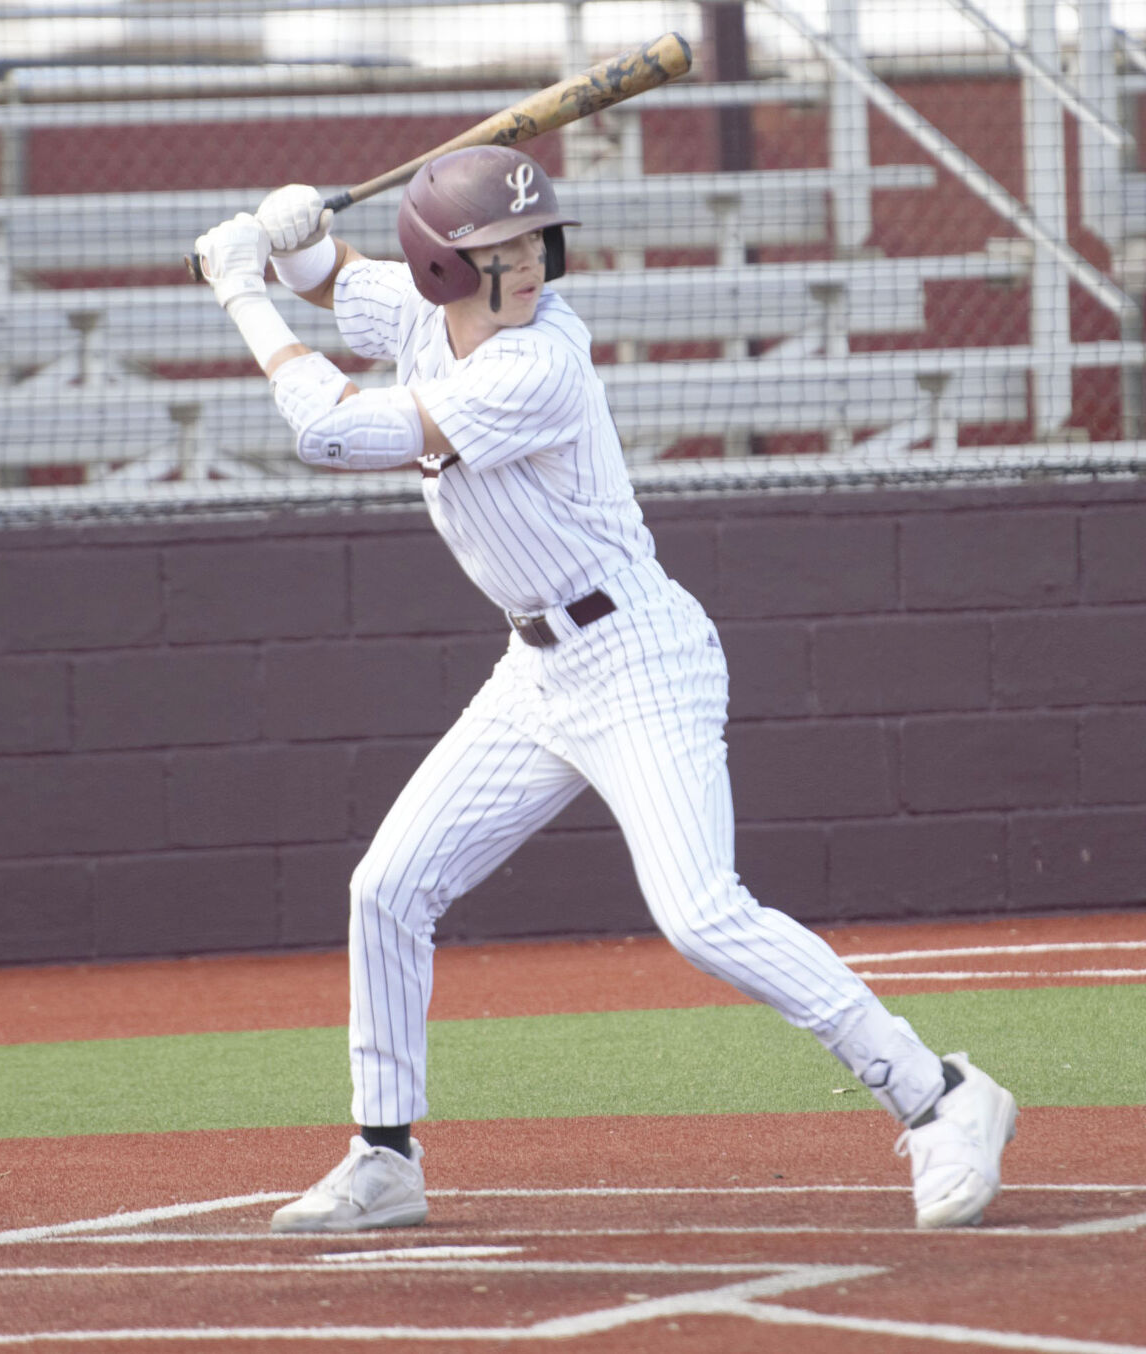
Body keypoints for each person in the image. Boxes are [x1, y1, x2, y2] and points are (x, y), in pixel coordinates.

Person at [189, 148, 1019, 1235]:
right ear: (443, 267)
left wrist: (240, 291)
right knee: (385, 887)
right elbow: (336, 277)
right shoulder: (422, 317)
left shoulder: (539, 360)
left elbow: (332, 430)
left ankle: (938, 1095)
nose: (527, 265)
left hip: (637, 656)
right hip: (535, 673)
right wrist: (295, 238)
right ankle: (383, 1154)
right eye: (496, 251)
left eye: (533, 242)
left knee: (699, 912)